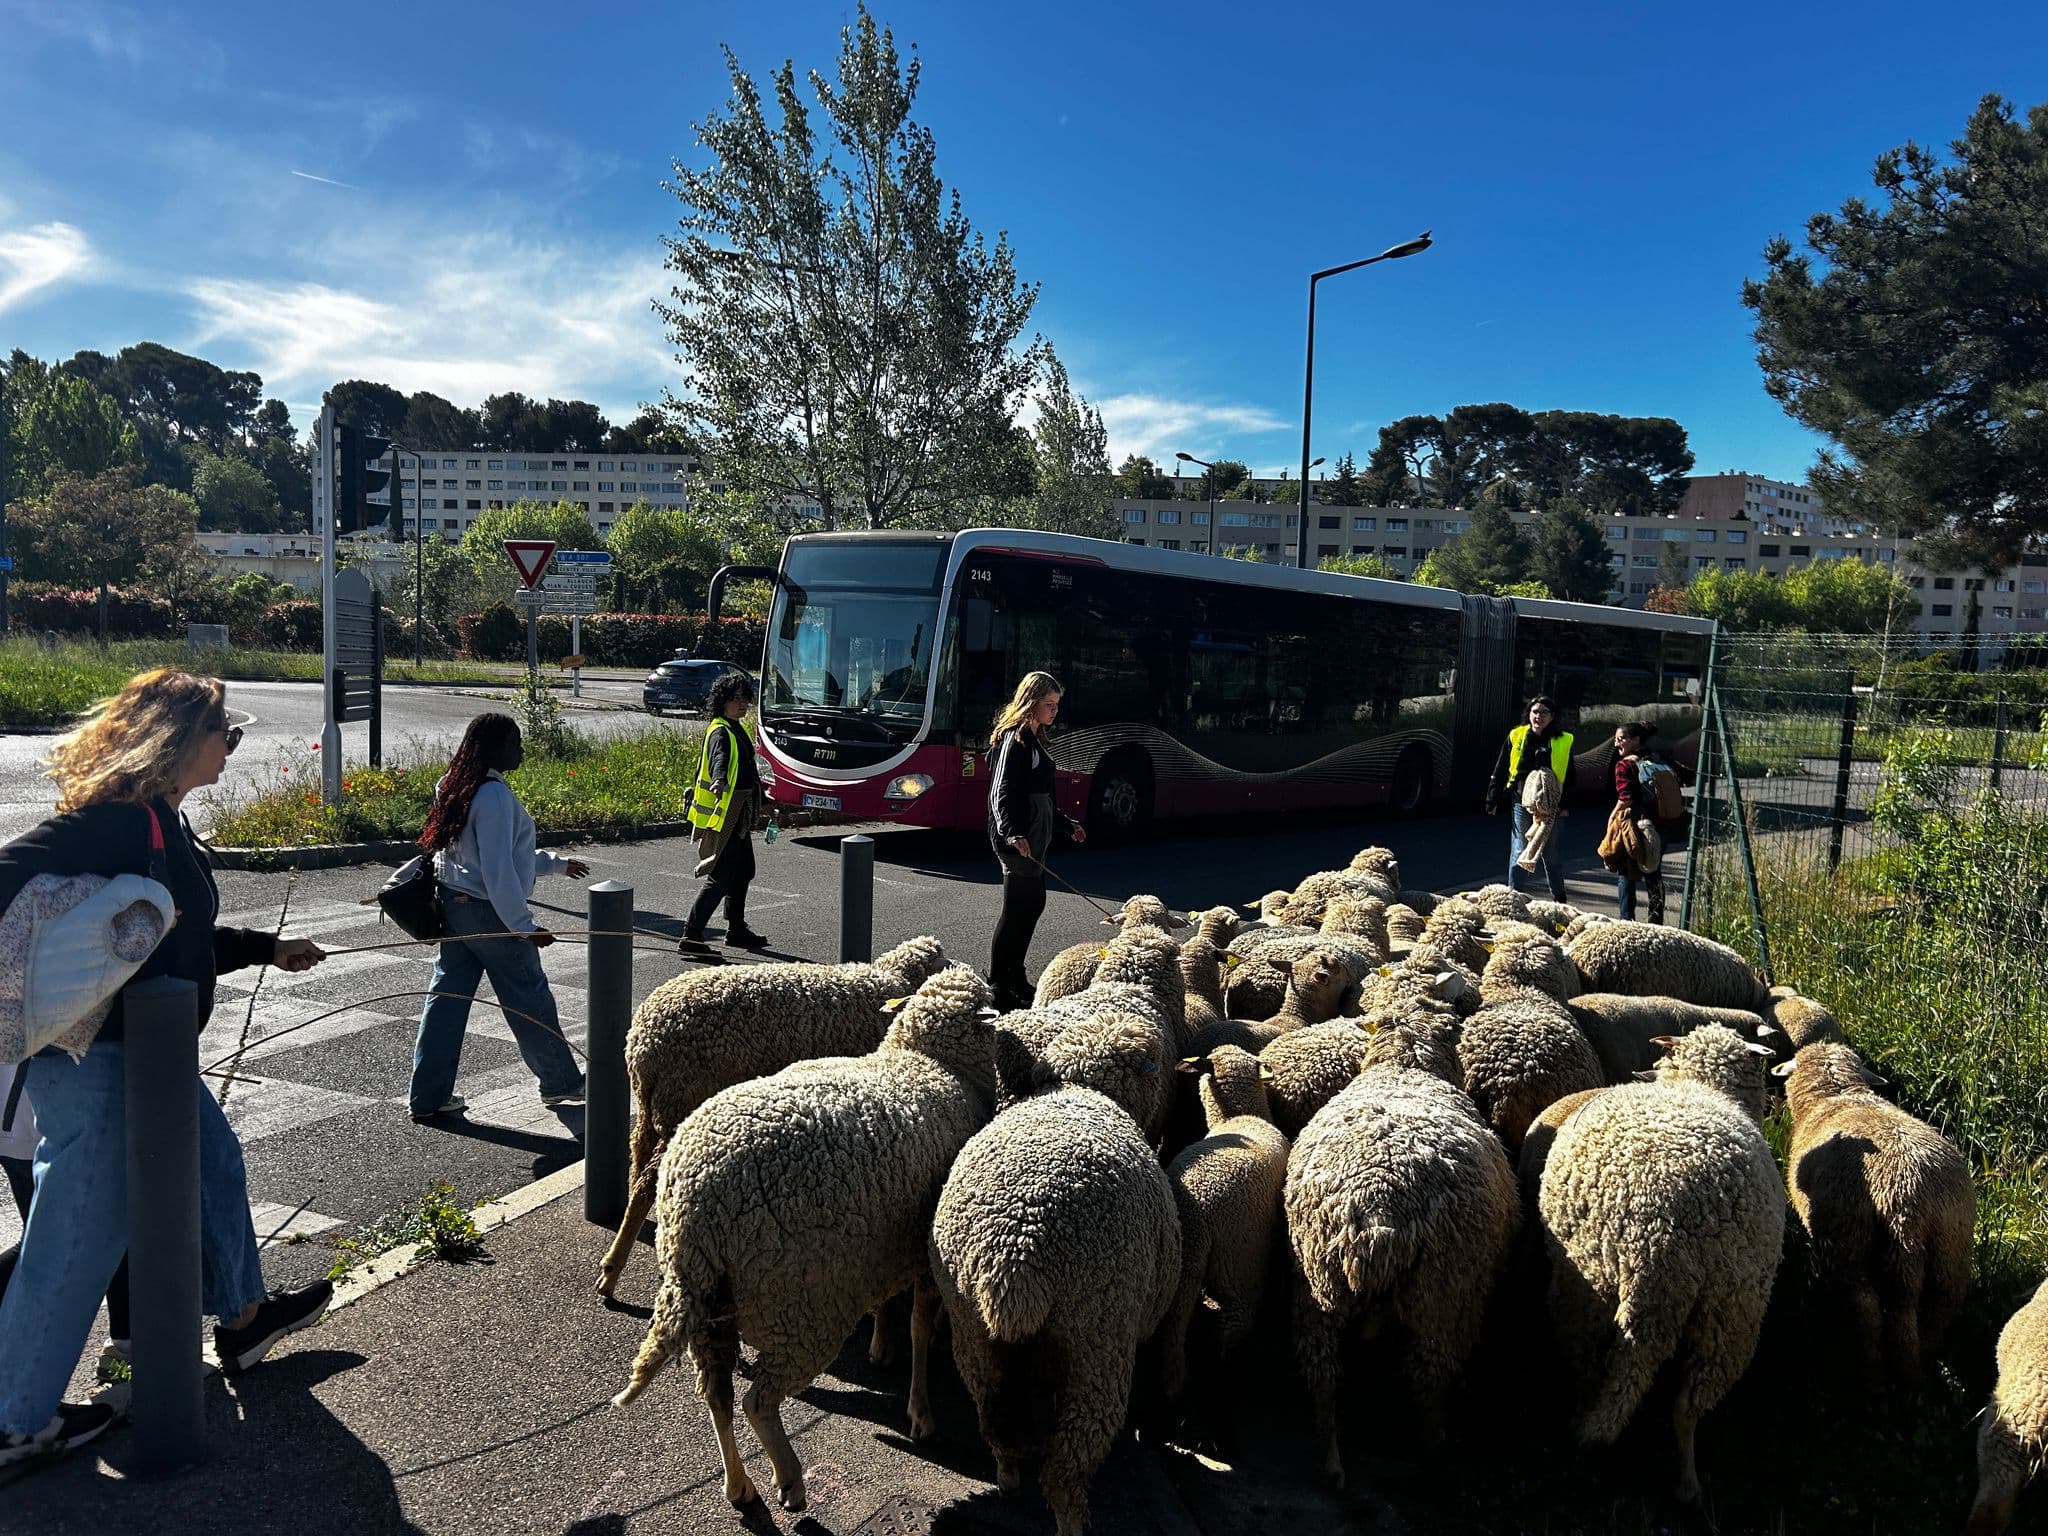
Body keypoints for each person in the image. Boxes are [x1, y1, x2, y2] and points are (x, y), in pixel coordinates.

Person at [0, 669, 333, 1468]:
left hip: (145, 1062)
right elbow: (17, 876)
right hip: (100, 1062)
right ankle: (13, 1418)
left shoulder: (159, 822)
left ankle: (245, 1319)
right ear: (183, 738)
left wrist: (259, 949)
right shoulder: (116, 819)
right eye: (228, 734)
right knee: (75, 1236)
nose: (234, 748)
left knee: (214, 1165)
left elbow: (160, 936)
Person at [409, 713, 589, 1123]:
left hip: (453, 907)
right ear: (494, 748)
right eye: (515, 743)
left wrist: (556, 865)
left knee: (446, 1002)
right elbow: (497, 870)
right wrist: (524, 927)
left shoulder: (453, 784)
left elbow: (478, 857)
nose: (521, 750)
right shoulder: (492, 797)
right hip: (488, 913)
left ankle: (429, 1096)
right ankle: (561, 1082)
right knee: (528, 996)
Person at [986, 671, 1087, 1011]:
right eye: (1049, 704)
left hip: (1035, 836)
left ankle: (1015, 976)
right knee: (1017, 909)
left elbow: (1042, 793)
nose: (1054, 711)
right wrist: (1011, 831)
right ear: (1031, 703)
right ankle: (998, 983)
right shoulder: (1014, 740)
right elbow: (1001, 791)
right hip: (1017, 838)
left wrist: (1064, 823)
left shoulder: (1036, 740)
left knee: (1032, 905)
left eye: (1056, 705)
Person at [680, 672, 766, 957]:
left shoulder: (735, 726)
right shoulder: (721, 730)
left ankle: (736, 929)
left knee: (744, 870)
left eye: (744, 698)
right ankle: (691, 936)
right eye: (735, 698)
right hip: (724, 813)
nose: (742, 704)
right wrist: (719, 780)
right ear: (722, 701)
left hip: (738, 811)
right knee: (721, 875)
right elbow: (721, 758)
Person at [1484, 694, 1575, 903]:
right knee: (1519, 847)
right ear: (1529, 714)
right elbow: (1501, 767)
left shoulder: (1563, 740)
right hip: (1521, 800)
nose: (1539, 716)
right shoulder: (1517, 735)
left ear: (1552, 717)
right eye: (1535, 712)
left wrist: (1565, 805)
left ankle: (1559, 898)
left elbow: (1570, 775)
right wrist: (1493, 798)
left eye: (1544, 713)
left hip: (1552, 804)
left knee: (1549, 852)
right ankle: (1512, 898)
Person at [1610, 721, 1669, 923]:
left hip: (1637, 825)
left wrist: (1612, 818)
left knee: (1626, 871)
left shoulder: (1624, 765)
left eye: (1621, 739)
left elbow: (1625, 799)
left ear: (1636, 740)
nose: (1617, 743)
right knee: (1653, 871)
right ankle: (1656, 920)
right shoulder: (1657, 758)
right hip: (1660, 824)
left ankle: (1627, 921)